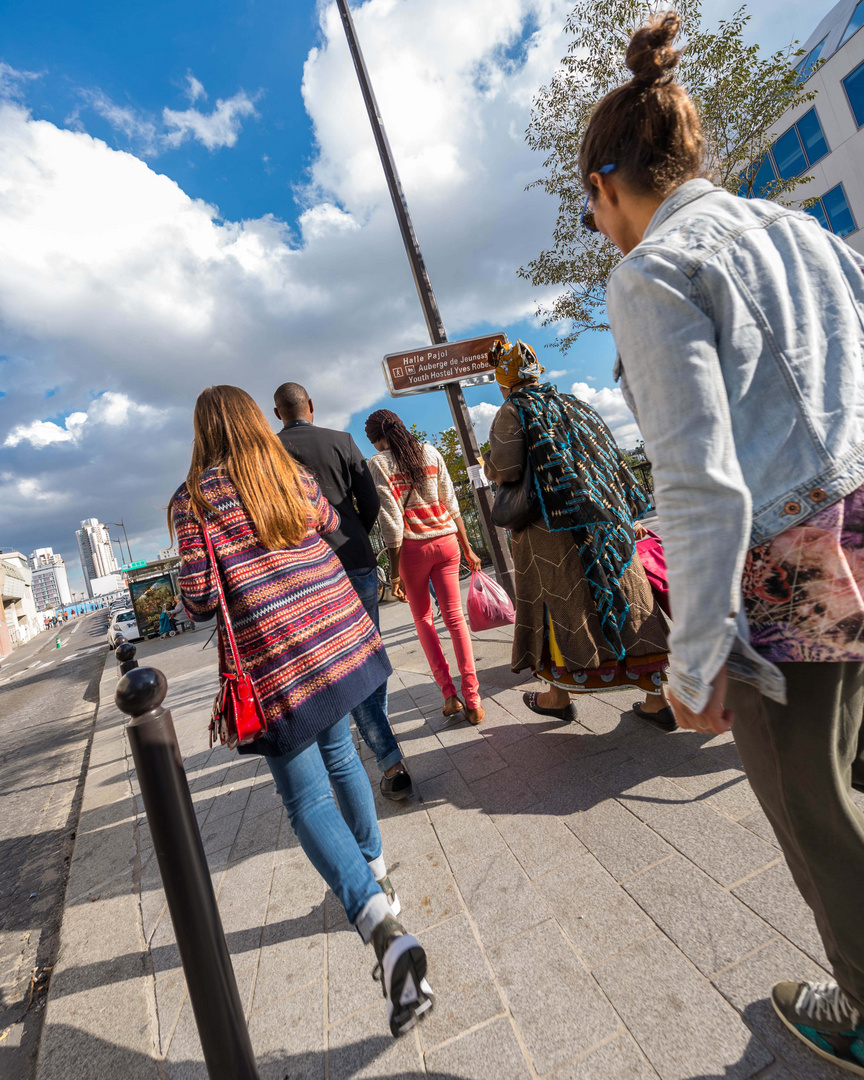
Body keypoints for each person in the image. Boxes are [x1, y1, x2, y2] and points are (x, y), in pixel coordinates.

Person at [581, 11, 864, 1072]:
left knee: (812, 804)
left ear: (611, 184)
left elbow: (698, 483)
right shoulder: (805, 233)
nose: (602, 225)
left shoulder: (652, 272)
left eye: (594, 204)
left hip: (797, 561)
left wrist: (693, 660)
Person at [169, 385, 433, 1038]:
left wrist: (187, 584)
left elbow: (201, 598)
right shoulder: (287, 471)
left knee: (305, 799)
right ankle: (376, 875)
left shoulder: (193, 498)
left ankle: (381, 926)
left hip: (277, 659)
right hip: (338, 635)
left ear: (203, 430)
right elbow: (329, 527)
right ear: (257, 419)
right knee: (344, 753)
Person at [483, 340, 671, 725]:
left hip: (552, 530)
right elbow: (610, 459)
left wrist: (488, 466)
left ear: (505, 380)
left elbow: (507, 468)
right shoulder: (580, 407)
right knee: (627, 597)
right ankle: (657, 701)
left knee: (558, 603)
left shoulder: (511, 411)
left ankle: (558, 697)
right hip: (606, 525)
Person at [274, 381, 412, 801]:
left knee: (343, 665)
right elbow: (369, 500)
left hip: (310, 570)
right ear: (310, 406)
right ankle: (382, 737)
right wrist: (353, 534)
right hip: (356, 558)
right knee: (368, 652)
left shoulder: (271, 456)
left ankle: (388, 758)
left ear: (278, 414)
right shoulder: (342, 440)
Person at [365, 410, 485, 725]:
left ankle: (449, 696)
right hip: (447, 542)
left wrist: (393, 575)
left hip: (412, 550)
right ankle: (473, 699)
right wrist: (467, 546)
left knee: (423, 619)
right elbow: (451, 502)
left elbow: (390, 523)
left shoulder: (378, 464)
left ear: (377, 438)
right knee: (456, 619)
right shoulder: (430, 452)